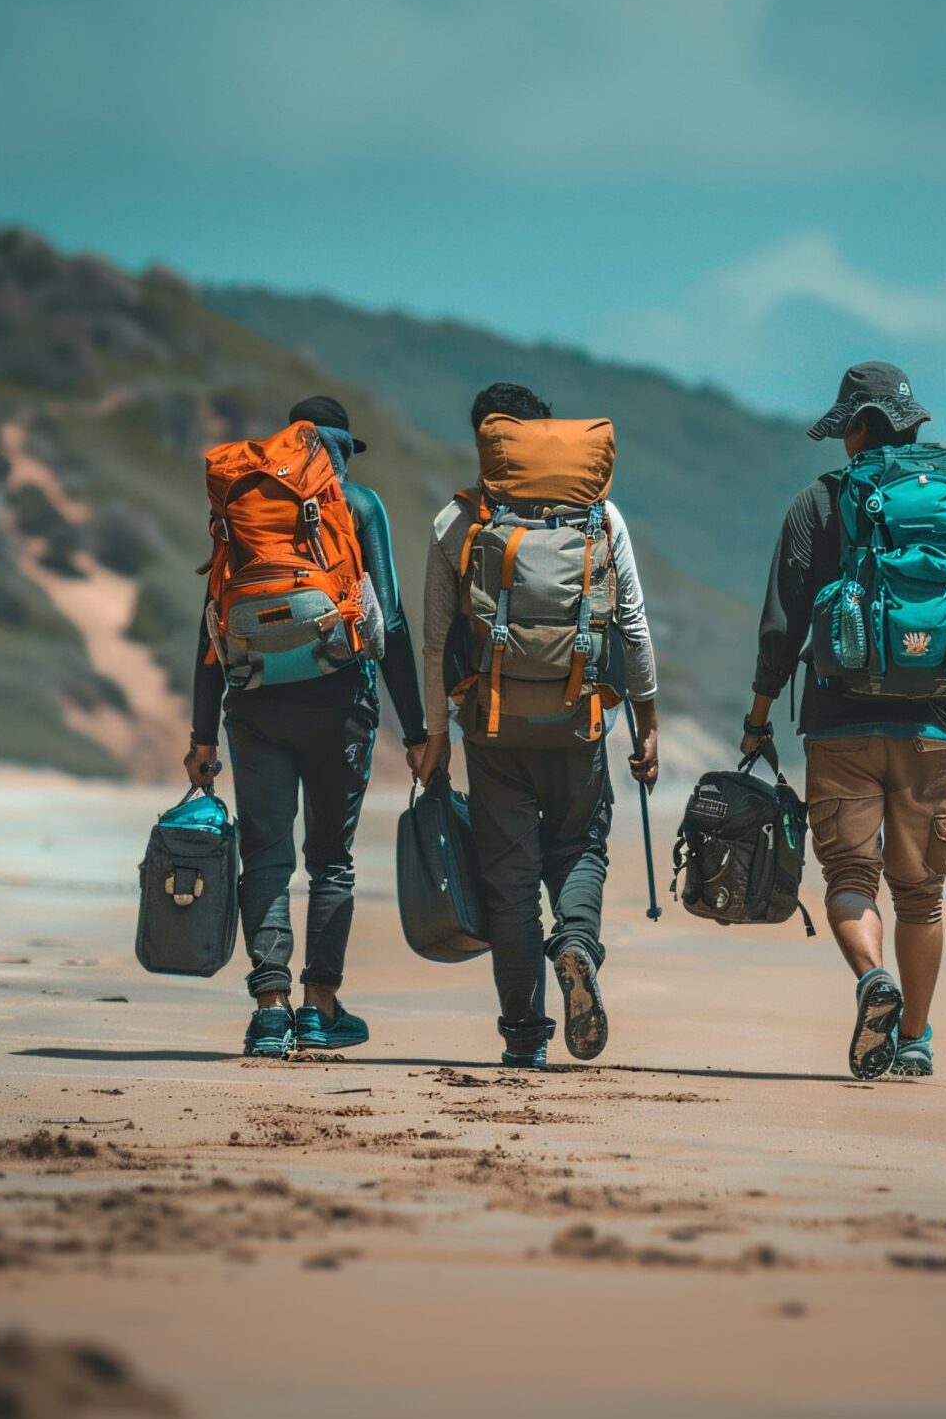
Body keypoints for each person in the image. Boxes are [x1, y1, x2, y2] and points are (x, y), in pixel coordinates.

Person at [740, 361, 946, 1079]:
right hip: (935, 729)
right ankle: (916, 1041)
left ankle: (873, 978)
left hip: (840, 727)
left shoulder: (819, 503)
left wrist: (758, 718)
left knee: (850, 877)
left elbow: (781, 628)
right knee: (921, 897)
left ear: (860, 428)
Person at [414, 382, 661, 1068]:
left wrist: (436, 735)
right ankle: (576, 942)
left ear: (486, 443)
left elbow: (435, 641)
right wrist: (647, 722)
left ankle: (524, 1033)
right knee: (579, 846)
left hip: (492, 729)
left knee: (510, 876)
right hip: (579, 720)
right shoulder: (601, 517)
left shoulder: (456, 521)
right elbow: (634, 625)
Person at [183, 395, 431, 1058]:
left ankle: (270, 1010)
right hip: (339, 706)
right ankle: (319, 1010)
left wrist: (202, 737)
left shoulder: (244, 501)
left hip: (255, 705)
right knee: (331, 862)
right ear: (341, 449)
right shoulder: (359, 505)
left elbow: (210, 627)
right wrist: (417, 732)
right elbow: (390, 623)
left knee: (266, 856)